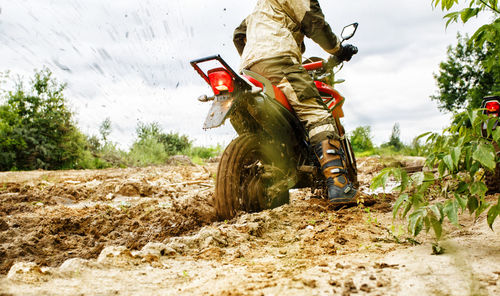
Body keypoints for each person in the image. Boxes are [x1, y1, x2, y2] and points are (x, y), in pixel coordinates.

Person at [233, 0, 359, 204]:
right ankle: (339, 184)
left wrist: (255, 58)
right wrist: (338, 50)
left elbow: (239, 35)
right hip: (280, 61)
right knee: (316, 114)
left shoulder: (260, 8)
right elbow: (314, 23)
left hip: (249, 69)